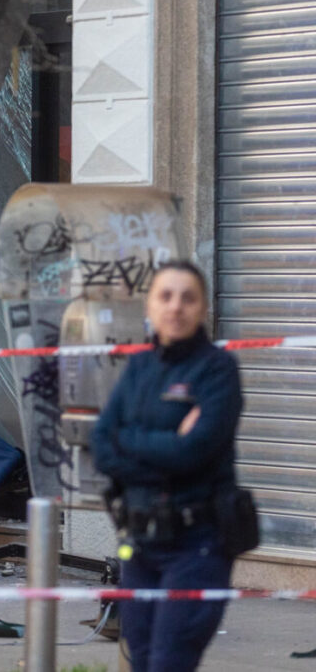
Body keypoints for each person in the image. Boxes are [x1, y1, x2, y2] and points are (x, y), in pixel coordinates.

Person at [91, 260, 244, 672]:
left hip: (197, 546)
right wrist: (167, 446)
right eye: (166, 296)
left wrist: (130, 441)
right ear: (150, 306)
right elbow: (101, 444)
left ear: (203, 308)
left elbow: (193, 453)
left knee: (169, 663)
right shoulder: (140, 366)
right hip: (140, 545)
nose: (176, 306)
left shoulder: (217, 370)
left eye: (188, 298)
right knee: (141, 661)